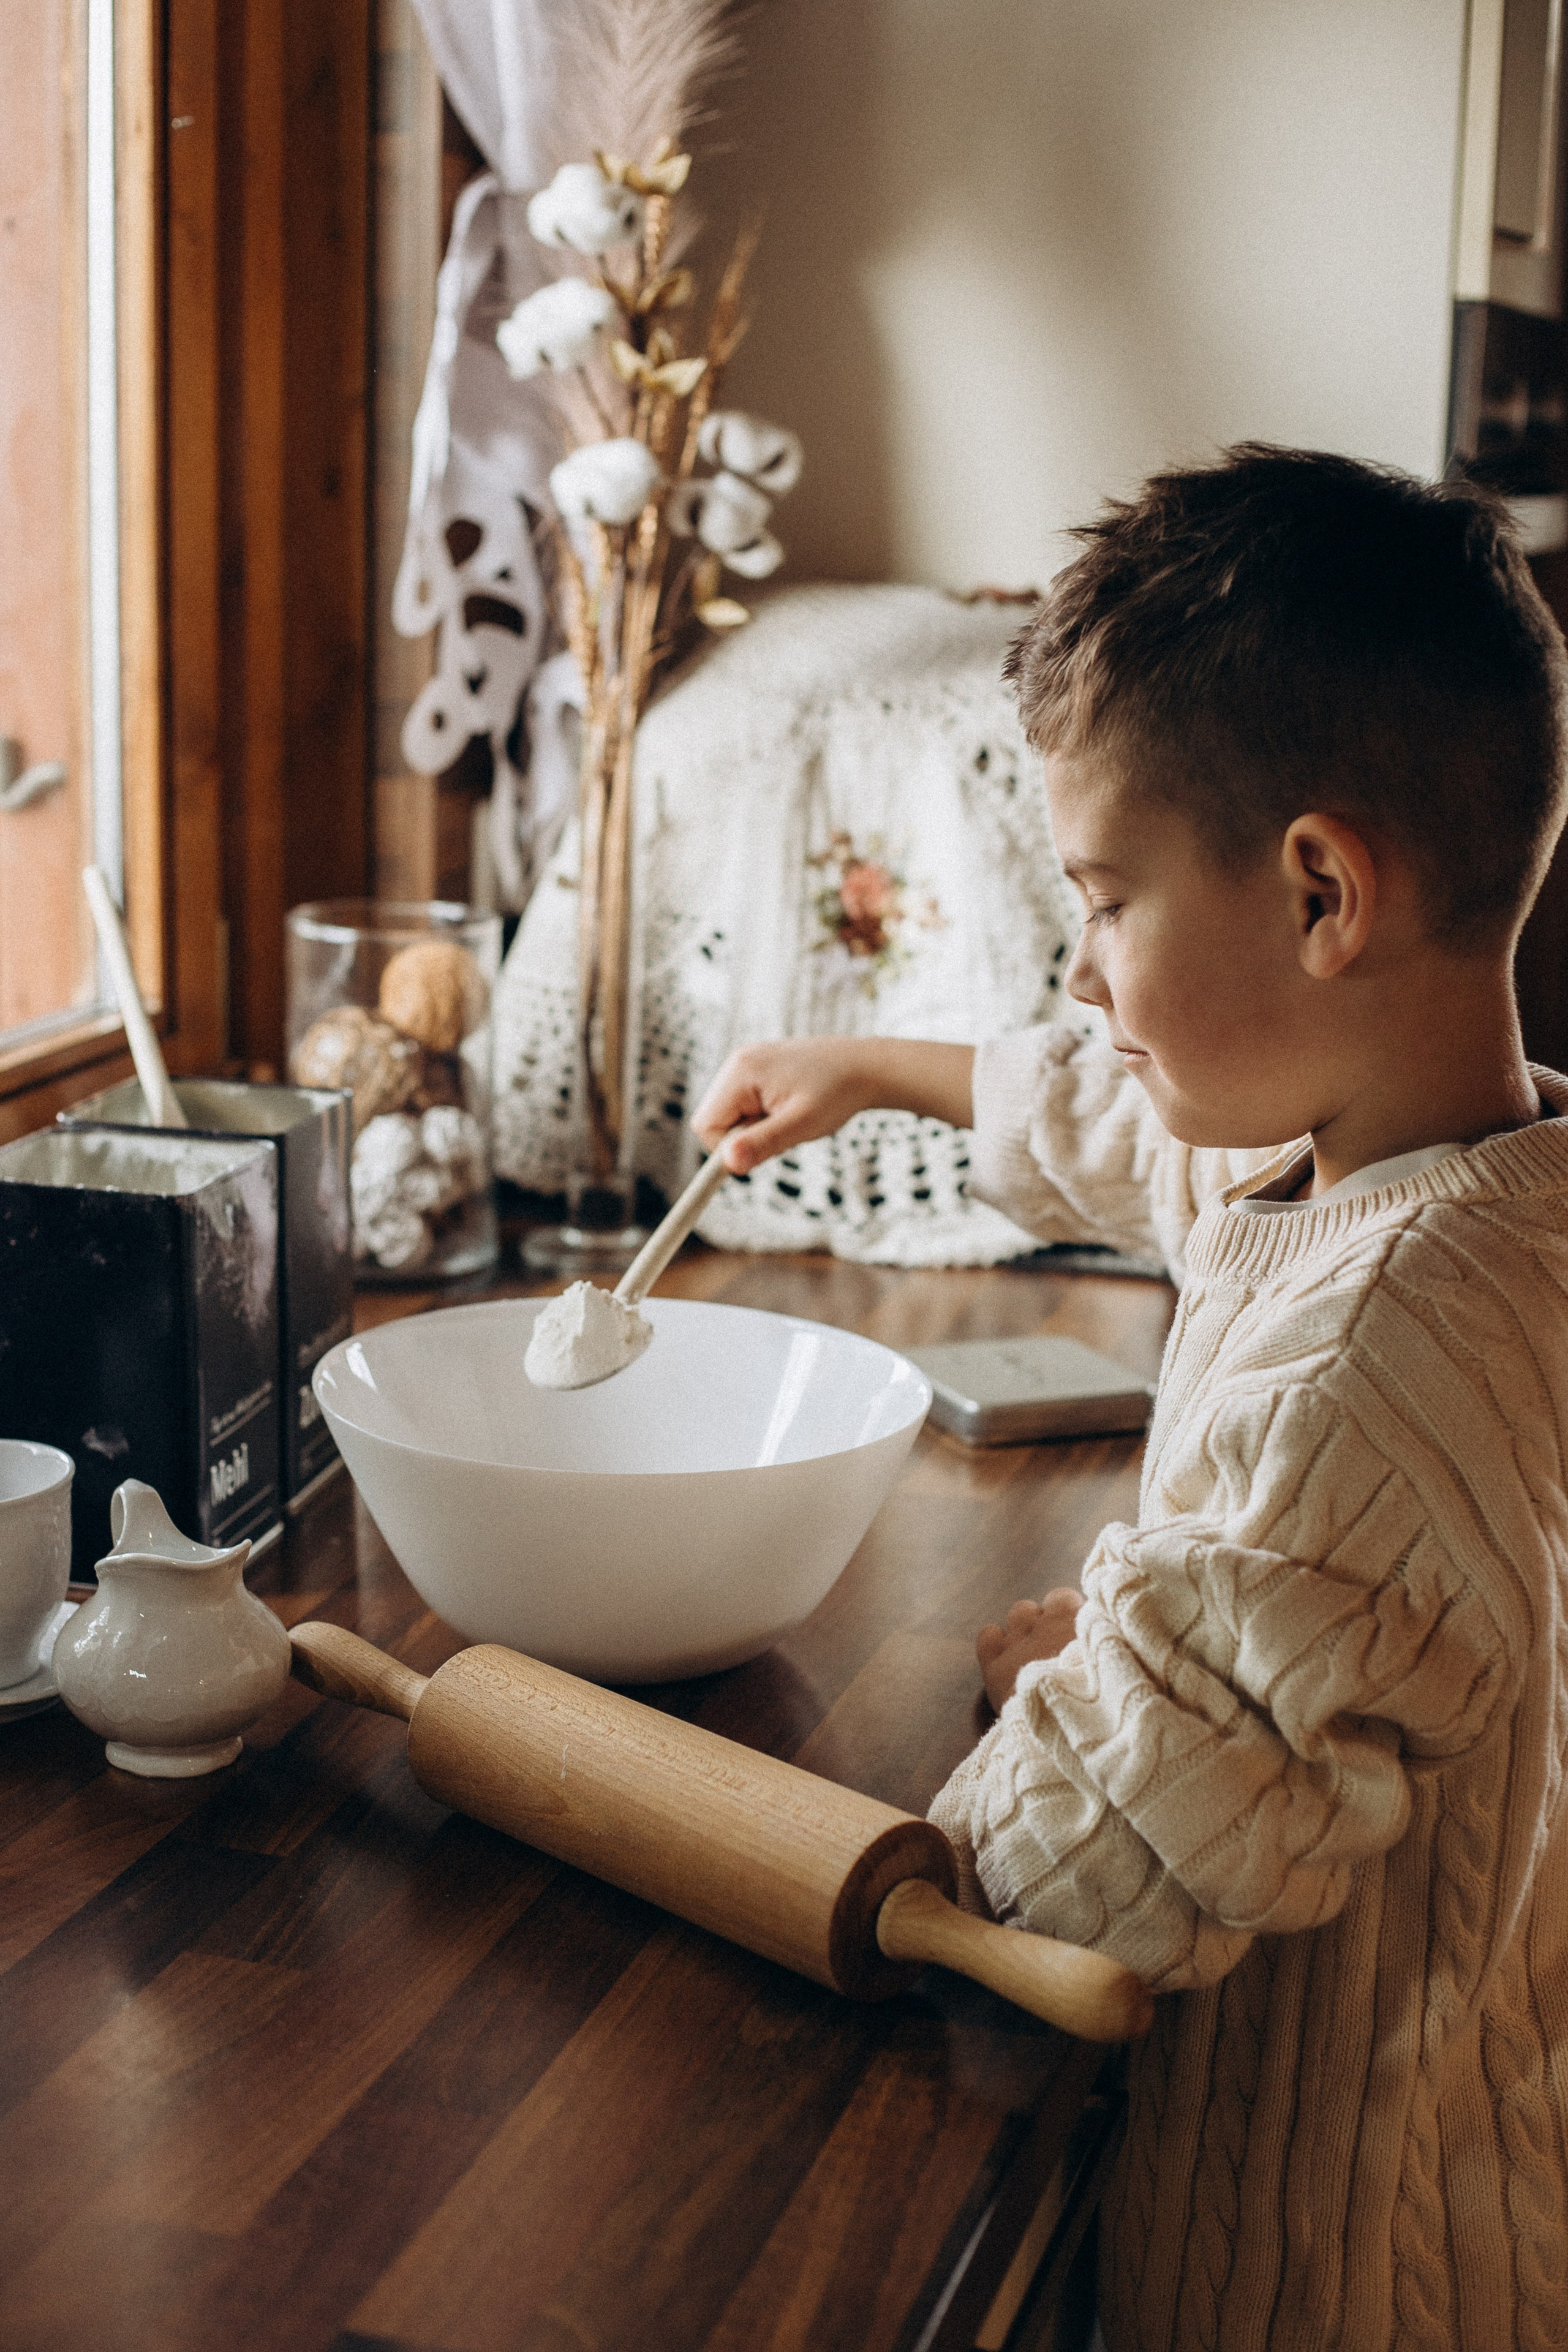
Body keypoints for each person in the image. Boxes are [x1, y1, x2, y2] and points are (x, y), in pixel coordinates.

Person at [692, 446, 1568, 2352]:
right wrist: (873, 1064)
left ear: (1323, 888)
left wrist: (837, 1845)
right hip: (1498, 2129)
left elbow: (1088, 1863)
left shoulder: (1365, 1361)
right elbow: (1150, 1137)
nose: (1084, 972)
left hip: (1326, 2256)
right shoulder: (1453, 1172)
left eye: (1102, 901)